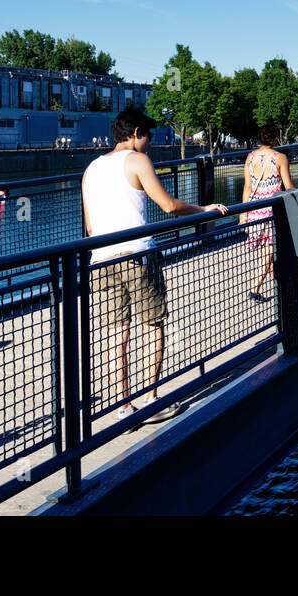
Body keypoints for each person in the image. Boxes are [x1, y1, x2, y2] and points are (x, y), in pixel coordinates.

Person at [81, 108, 228, 422]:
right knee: (152, 325)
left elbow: (91, 228)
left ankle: (122, 407)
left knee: (116, 332)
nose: (150, 143)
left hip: (102, 257)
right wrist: (205, 209)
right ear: (135, 133)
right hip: (137, 254)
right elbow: (169, 205)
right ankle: (150, 399)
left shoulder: (91, 169)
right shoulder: (137, 161)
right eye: (148, 136)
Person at [241, 123, 293, 303]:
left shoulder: (250, 157)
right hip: (272, 210)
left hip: (254, 210)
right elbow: (288, 187)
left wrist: (243, 215)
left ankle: (276, 279)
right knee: (269, 251)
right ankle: (254, 289)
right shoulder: (280, 158)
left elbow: (247, 187)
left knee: (266, 251)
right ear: (275, 138)